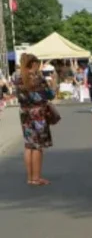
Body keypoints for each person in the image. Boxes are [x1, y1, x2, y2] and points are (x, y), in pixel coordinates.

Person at [13, 53, 56, 186]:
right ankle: (37, 178)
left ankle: (30, 177)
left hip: (24, 112)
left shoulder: (17, 77)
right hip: (38, 113)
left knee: (28, 145)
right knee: (38, 146)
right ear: (34, 64)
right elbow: (50, 95)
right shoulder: (37, 78)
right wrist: (54, 83)